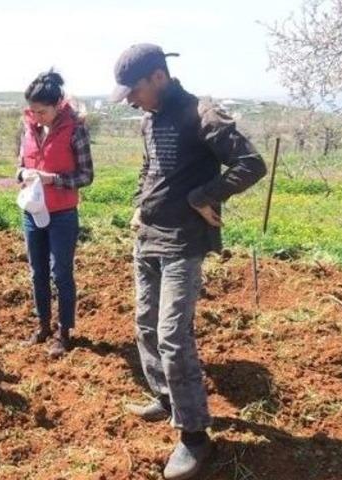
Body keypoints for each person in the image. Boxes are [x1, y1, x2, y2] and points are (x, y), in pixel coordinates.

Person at [110, 44, 267, 480]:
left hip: (184, 242)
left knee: (172, 337)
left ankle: (195, 437)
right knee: (144, 324)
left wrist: (204, 196)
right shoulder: (149, 119)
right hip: (148, 238)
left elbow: (251, 164)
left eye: (135, 90)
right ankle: (165, 397)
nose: (131, 99)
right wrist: (139, 205)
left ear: (158, 76)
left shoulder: (203, 114)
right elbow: (150, 168)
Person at [17, 70, 94, 358]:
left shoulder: (75, 129)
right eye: (33, 111)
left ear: (58, 103)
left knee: (60, 273)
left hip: (62, 213)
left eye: (43, 111)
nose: (37, 117)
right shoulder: (28, 128)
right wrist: (22, 173)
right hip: (33, 211)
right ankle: (43, 325)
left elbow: (86, 175)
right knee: (37, 272)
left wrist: (53, 179)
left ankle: (64, 331)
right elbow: (19, 165)